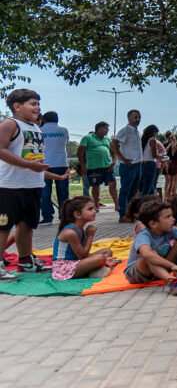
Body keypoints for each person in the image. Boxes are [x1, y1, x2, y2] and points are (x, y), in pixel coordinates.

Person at [0, 89, 70, 281]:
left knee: (27, 224)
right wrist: (29, 165)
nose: (37, 108)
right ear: (17, 106)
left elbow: (35, 164)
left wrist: (54, 176)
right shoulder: (10, 124)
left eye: (38, 104)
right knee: (3, 226)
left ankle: (25, 261)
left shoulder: (36, 128)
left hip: (32, 184)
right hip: (10, 185)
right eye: (33, 104)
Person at [52, 196, 117, 280]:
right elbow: (82, 256)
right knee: (101, 257)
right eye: (90, 209)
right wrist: (90, 236)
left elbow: (83, 253)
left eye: (94, 208)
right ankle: (98, 269)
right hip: (64, 268)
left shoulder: (79, 229)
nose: (95, 211)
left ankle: (98, 269)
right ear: (78, 214)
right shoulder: (70, 233)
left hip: (75, 261)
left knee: (107, 251)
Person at [78, 122, 119, 210]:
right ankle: (96, 206)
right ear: (99, 128)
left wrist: (114, 161)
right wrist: (83, 166)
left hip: (108, 167)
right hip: (94, 167)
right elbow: (80, 153)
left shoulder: (107, 139)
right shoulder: (87, 138)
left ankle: (117, 205)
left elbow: (114, 152)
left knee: (113, 185)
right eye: (106, 128)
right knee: (96, 187)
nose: (107, 130)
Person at [111, 109, 143, 222]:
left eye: (139, 117)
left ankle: (130, 213)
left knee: (134, 191)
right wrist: (122, 158)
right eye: (135, 117)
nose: (138, 119)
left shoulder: (138, 132)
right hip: (129, 165)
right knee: (125, 191)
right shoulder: (125, 131)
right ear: (129, 118)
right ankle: (122, 214)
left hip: (138, 165)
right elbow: (113, 143)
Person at [39, 111, 70, 225]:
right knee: (63, 192)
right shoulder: (63, 130)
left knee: (45, 192)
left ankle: (48, 217)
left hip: (45, 164)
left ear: (44, 120)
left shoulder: (40, 130)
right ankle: (64, 216)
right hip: (61, 163)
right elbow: (65, 142)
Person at [139, 125, 161, 196]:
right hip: (150, 164)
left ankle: (153, 196)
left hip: (143, 164)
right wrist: (161, 156)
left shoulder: (143, 140)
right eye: (156, 133)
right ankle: (142, 201)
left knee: (149, 184)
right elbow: (154, 155)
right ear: (154, 132)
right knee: (148, 186)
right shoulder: (152, 140)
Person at [163, 132, 177, 201]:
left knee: (170, 183)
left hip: (170, 164)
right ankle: (172, 198)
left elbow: (165, 152)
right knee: (173, 183)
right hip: (174, 164)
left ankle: (167, 197)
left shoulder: (170, 145)